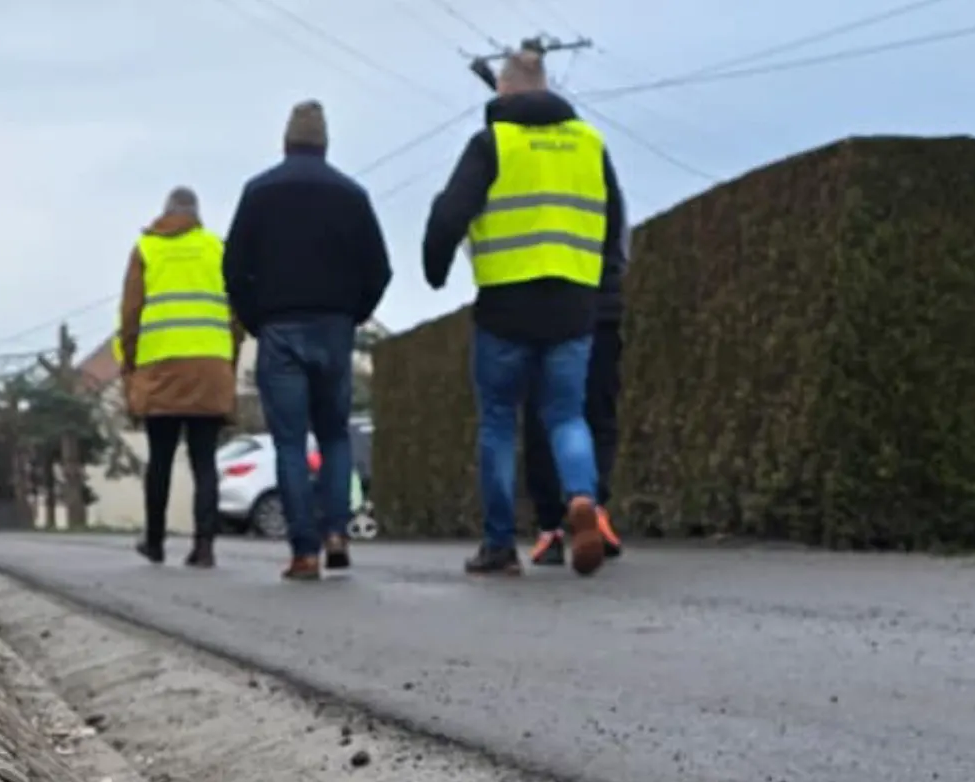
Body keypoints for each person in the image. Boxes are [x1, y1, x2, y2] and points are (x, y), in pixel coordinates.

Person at [422, 49, 626, 577]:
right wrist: (602, 286)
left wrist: (435, 268)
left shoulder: (493, 142)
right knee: (566, 415)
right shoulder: (589, 144)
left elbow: (449, 212)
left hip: (505, 309)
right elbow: (614, 219)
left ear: (504, 91)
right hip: (573, 307)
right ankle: (580, 499)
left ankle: (497, 546)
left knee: (496, 423)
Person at [225, 99, 392, 581]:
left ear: (285, 141)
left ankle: (304, 552)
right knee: (336, 435)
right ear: (325, 143)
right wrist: (353, 314)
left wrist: (258, 319)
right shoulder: (351, 195)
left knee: (291, 444)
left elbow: (234, 267)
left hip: (280, 329)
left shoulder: (258, 193)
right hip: (334, 327)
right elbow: (378, 269)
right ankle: (337, 531)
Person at [118, 185, 240, 569]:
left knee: (161, 460)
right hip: (210, 369)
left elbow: (130, 314)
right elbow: (236, 315)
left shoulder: (147, 249)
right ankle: (204, 546)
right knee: (205, 461)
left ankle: (154, 542)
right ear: (197, 214)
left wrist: (130, 368)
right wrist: (228, 361)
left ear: (166, 212)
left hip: (161, 370)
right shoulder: (218, 249)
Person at [526, 216, 629, 566]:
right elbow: (618, 231)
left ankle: (550, 528)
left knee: (545, 418)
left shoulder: (507, 161)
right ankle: (593, 507)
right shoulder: (595, 162)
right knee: (597, 412)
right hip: (598, 302)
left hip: (537, 306)